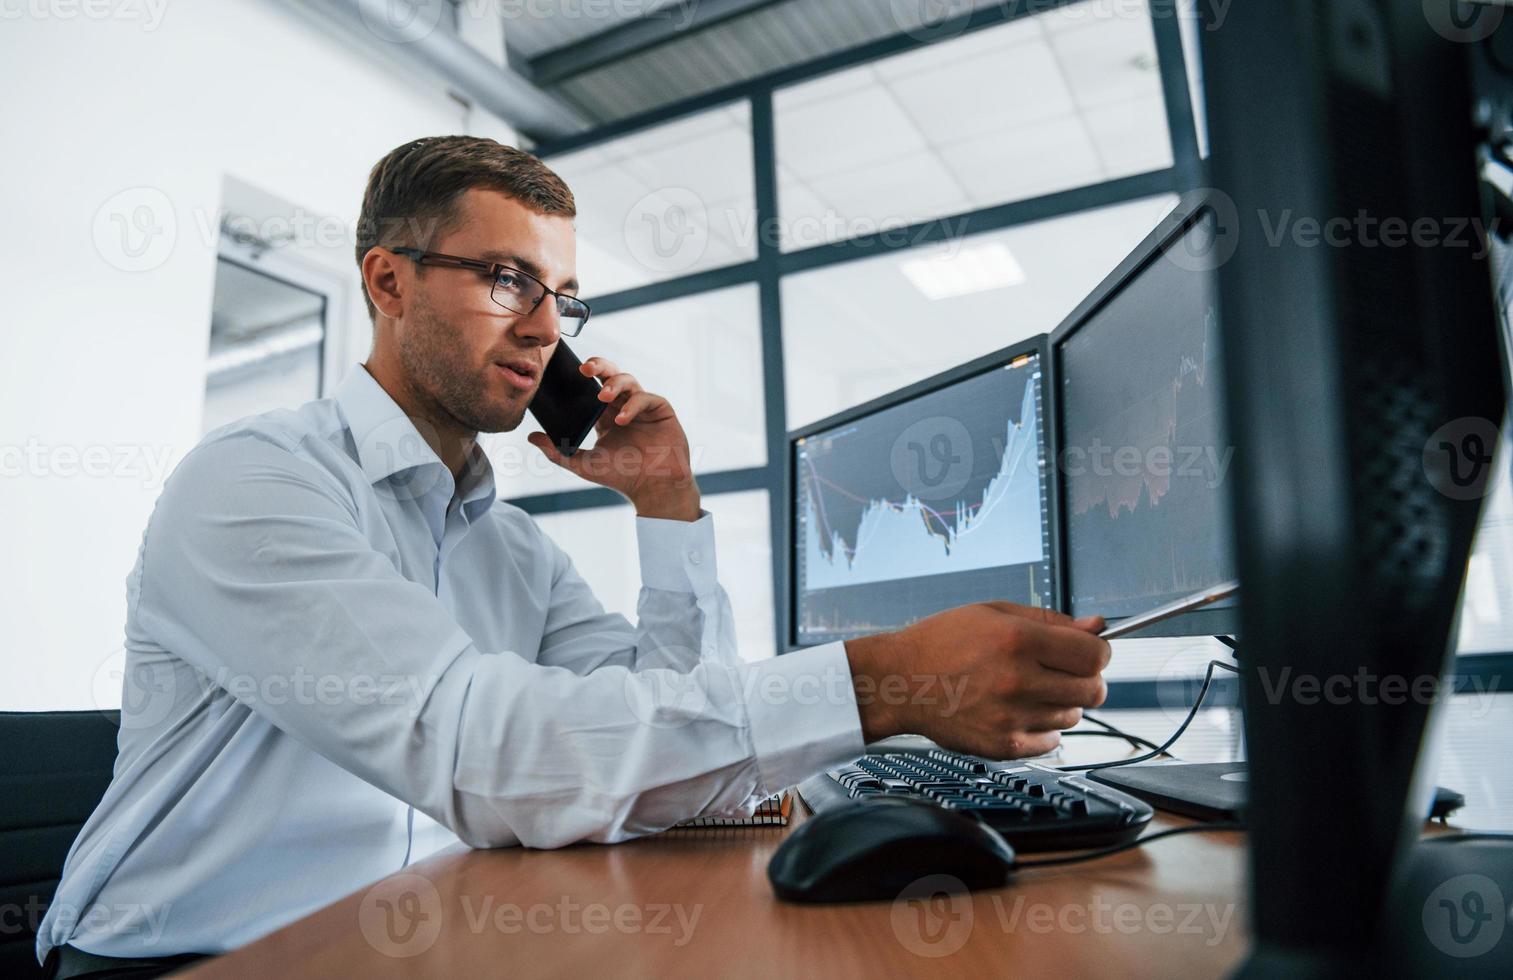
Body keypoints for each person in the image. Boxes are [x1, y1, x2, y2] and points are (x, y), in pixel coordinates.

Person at [38, 136, 1110, 977]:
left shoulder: (510, 546)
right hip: (189, 956)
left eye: (560, 295)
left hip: (410, 933)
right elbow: (477, 748)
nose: (547, 328)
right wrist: (880, 683)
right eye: (508, 278)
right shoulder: (257, 483)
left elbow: (691, 766)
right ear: (387, 279)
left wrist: (667, 507)